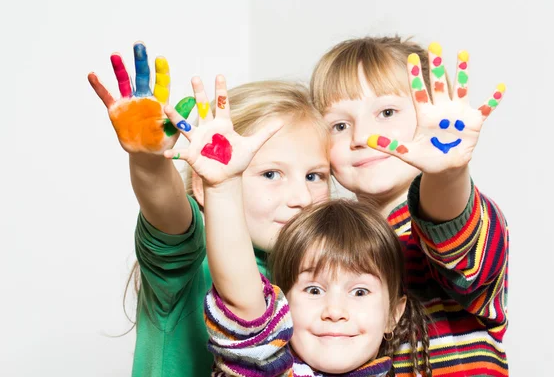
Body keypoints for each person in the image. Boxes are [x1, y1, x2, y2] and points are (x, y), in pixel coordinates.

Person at [88, 42, 331, 376]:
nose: (301, 197)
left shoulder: (323, 272)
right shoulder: (192, 257)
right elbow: (166, 211)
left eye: (315, 176)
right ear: (204, 185)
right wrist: (148, 160)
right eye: (271, 174)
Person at [162, 78, 432, 376]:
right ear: (282, 306)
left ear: (394, 314)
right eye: (314, 290)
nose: (335, 312)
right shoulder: (273, 367)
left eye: (359, 292)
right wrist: (222, 187)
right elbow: (243, 303)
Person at [309, 37, 509, 375]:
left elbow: (450, 231)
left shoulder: (456, 213)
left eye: (386, 112)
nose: (362, 136)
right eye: (340, 125)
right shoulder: (328, 240)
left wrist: (447, 171)